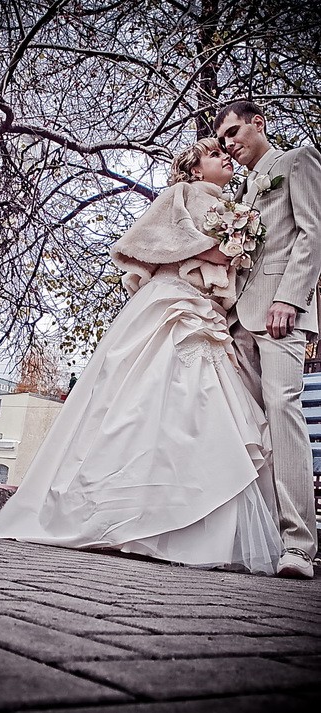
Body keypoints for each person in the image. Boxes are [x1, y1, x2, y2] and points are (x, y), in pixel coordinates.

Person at [0, 138, 282, 576]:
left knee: (197, 410)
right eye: (215, 154)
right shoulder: (179, 195)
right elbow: (141, 241)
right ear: (195, 169)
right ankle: (126, 516)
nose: (226, 158)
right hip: (170, 307)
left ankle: (185, 524)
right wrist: (211, 248)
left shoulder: (234, 206)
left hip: (206, 312)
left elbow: (228, 259)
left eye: (226, 153)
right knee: (142, 403)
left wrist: (234, 244)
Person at [214, 100, 321, 579]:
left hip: (281, 313)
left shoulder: (297, 160)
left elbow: (313, 234)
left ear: (258, 123)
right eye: (223, 140)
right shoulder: (240, 190)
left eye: (234, 132)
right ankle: (259, 538)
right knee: (247, 424)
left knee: (283, 411)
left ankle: (299, 544)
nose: (229, 144)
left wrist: (290, 299)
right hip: (238, 320)